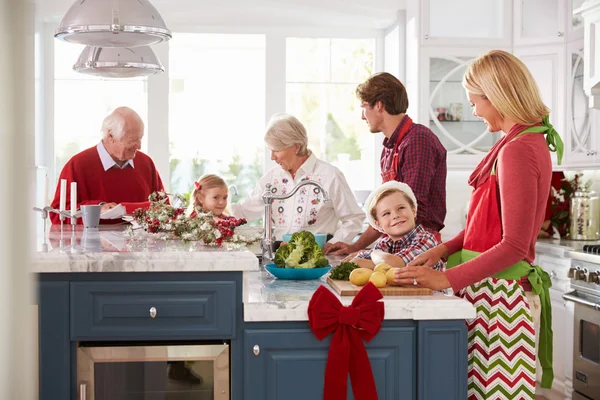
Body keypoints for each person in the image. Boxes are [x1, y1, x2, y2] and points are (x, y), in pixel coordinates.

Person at [394, 50, 563, 398]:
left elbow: (514, 244)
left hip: (501, 297)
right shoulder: (519, 141)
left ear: (497, 96)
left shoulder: (517, 148)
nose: (473, 111)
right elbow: (486, 230)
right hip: (490, 290)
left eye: (475, 102)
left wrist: (446, 277)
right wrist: (443, 249)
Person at [326, 72, 447, 255]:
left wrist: (364, 249)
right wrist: (355, 247)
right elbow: (387, 207)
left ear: (379, 105)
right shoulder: (390, 148)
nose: (362, 116)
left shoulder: (418, 140)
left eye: (364, 107)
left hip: (419, 247)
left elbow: (412, 209)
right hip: (398, 243)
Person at [231, 113, 365, 249]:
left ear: (296, 147)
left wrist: (334, 243)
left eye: (276, 150)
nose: (272, 157)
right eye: (270, 150)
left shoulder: (330, 175)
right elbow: (243, 211)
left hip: (318, 256)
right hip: (280, 254)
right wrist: (214, 209)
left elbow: (354, 217)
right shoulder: (271, 178)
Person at [50, 107, 164, 224]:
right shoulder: (78, 165)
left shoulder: (146, 163)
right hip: (92, 242)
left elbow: (165, 210)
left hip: (139, 241)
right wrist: (98, 208)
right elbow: (57, 215)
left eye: (140, 138)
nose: (139, 146)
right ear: (111, 136)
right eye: (133, 139)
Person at [349, 181, 444, 271]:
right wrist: (379, 261)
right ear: (378, 224)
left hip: (426, 289)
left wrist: (375, 253)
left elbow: (395, 264)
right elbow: (355, 263)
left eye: (401, 208)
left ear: (414, 211)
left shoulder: (426, 239)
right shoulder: (384, 243)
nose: (395, 215)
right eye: (386, 213)